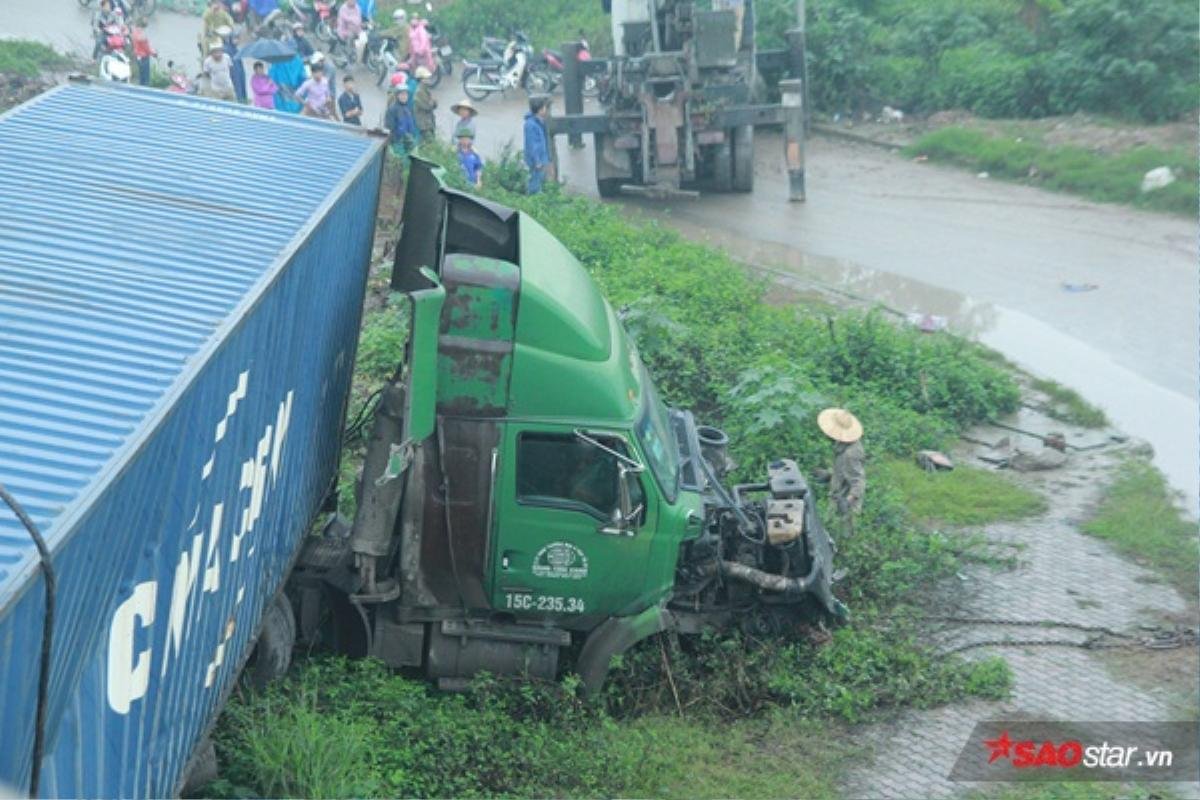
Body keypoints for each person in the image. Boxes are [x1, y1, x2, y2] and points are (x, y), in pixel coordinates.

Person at [817, 407, 866, 535]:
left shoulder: (851, 453)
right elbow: (844, 470)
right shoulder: (842, 446)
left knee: (844, 536)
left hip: (845, 503)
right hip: (837, 497)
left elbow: (859, 481)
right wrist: (829, 475)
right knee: (829, 531)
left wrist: (848, 501)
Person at [523, 95, 552, 194]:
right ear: (540, 110)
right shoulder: (531, 125)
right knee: (535, 185)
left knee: (539, 181)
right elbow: (533, 145)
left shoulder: (538, 122)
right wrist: (537, 161)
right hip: (535, 162)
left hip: (541, 159)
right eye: (544, 107)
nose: (546, 110)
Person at [386, 85, 418, 157]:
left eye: (406, 94)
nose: (404, 96)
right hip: (398, 143)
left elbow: (412, 125)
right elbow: (389, 128)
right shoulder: (392, 110)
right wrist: (396, 143)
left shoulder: (407, 108)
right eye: (402, 94)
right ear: (397, 95)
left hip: (409, 143)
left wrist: (412, 138)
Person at [129, 17, 155, 86]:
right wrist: (154, 53)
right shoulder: (142, 36)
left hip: (138, 57)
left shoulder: (134, 32)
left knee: (141, 77)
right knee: (146, 79)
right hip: (144, 58)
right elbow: (147, 49)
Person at [413, 66, 436, 140]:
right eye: (426, 78)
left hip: (428, 122)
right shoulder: (419, 92)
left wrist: (433, 103)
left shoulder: (426, 89)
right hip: (423, 124)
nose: (429, 79)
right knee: (426, 143)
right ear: (421, 79)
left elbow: (434, 103)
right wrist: (432, 103)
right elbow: (427, 106)